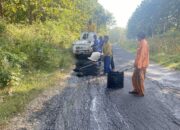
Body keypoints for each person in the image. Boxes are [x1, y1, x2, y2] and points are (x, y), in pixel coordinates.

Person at [129, 32, 149, 97]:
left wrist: (139, 65)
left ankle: (141, 92)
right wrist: (135, 63)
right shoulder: (141, 42)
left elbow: (142, 55)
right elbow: (138, 55)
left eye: (137, 37)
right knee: (134, 77)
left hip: (142, 65)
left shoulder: (144, 43)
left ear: (140, 37)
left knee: (140, 79)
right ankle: (136, 90)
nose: (136, 38)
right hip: (138, 64)